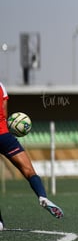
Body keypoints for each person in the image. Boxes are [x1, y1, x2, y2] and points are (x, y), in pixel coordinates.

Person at [0, 82, 63, 231]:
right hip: (4, 136)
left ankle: (0, 222)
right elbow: (5, 113)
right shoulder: (1, 86)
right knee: (29, 171)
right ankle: (42, 196)